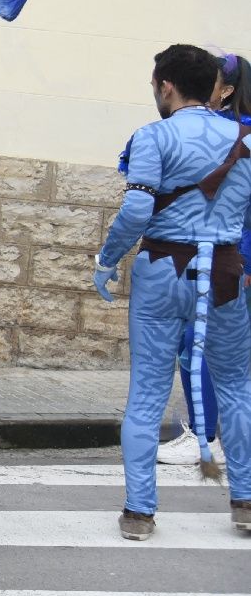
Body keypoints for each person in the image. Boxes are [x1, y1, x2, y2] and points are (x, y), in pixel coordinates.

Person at [93, 44, 251, 540]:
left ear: (165, 85)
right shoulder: (247, 137)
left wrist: (107, 257)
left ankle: (140, 512)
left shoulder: (153, 137)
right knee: (237, 387)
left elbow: (138, 213)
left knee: (147, 393)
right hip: (225, 269)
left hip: (162, 266)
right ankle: (245, 501)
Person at [160, 51, 251, 464]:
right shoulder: (228, 131)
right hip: (224, 257)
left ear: (227, 90)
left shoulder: (236, 134)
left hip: (224, 259)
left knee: (200, 349)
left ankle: (204, 438)